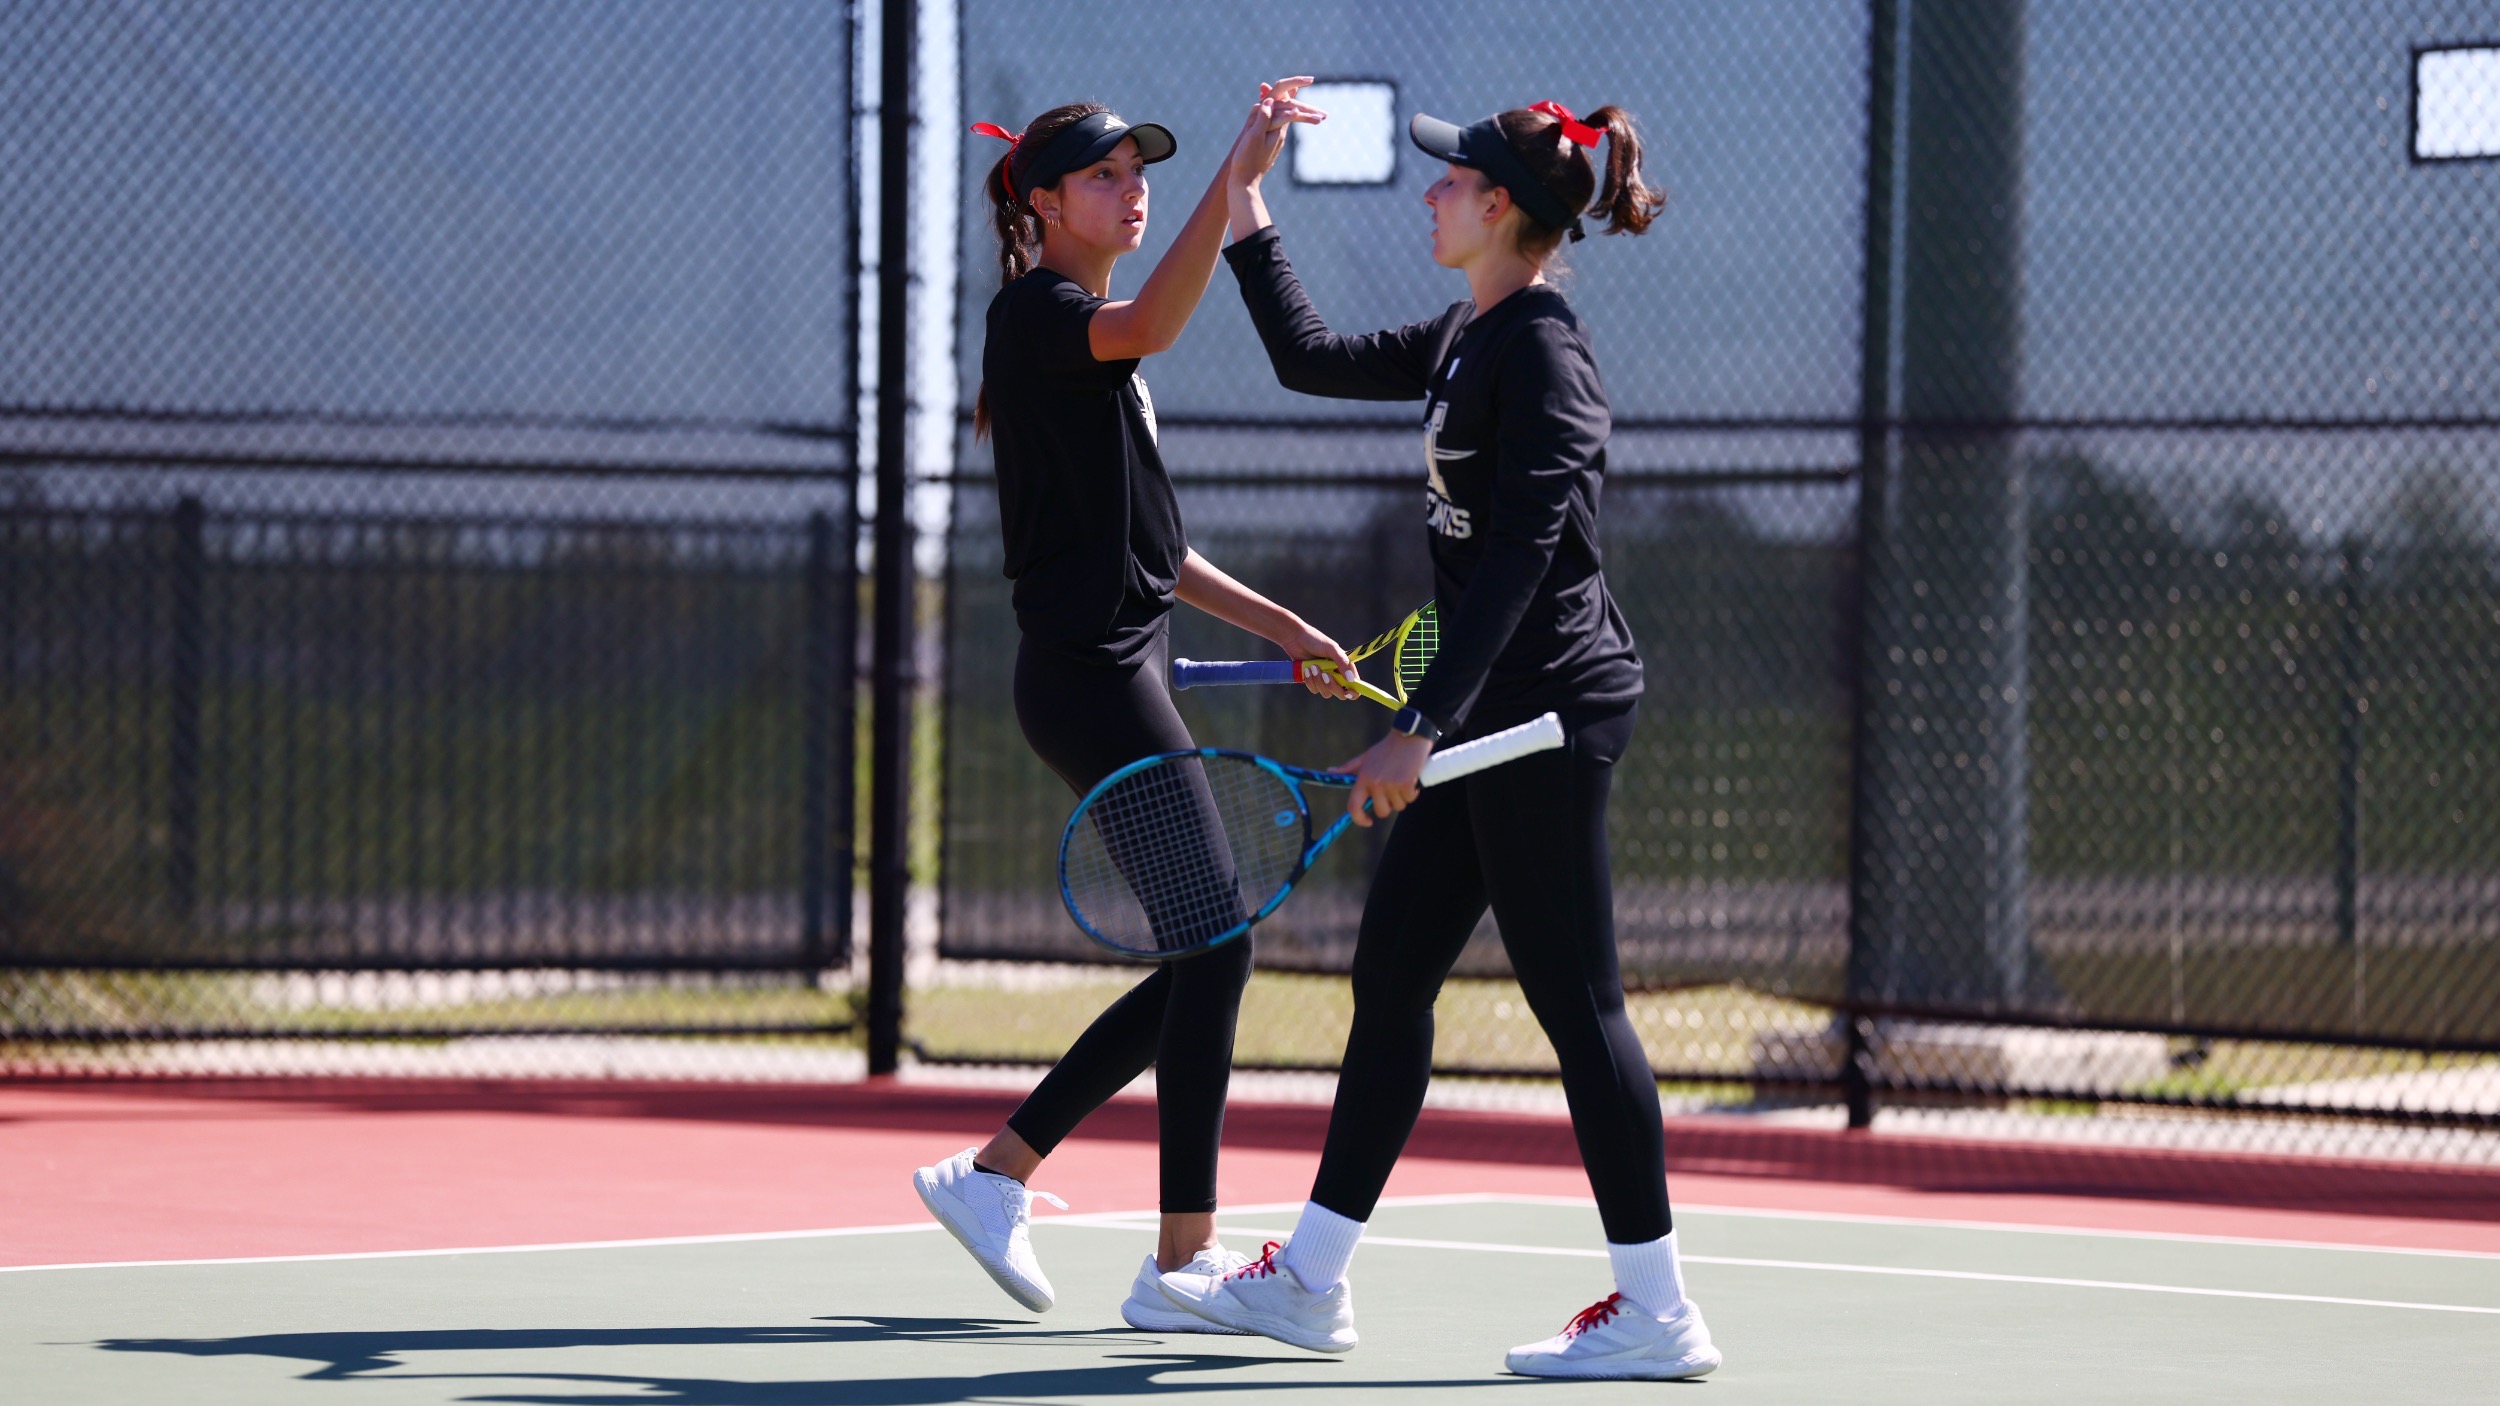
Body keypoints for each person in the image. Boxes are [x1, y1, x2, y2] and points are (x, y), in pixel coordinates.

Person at [1157, 95, 1720, 1381]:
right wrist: (1246, 196)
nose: (1431, 194)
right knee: (1392, 980)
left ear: (1503, 207)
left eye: (1451, 180)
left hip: (1544, 719)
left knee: (1579, 1007)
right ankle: (1305, 1282)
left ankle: (1660, 1312)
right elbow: (1305, 355)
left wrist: (1418, 726)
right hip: (1485, 714)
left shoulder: (1544, 353)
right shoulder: (1468, 332)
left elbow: (1529, 557)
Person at [909, 83, 1358, 1336]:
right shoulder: (1043, 312)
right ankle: (1173, 1264)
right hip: (1089, 682)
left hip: (1117, 671)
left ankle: (1002, 1175)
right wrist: (1236, 176)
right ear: (1042, 203)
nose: (1130, 187)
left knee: (1207, 951)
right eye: (1103, 177)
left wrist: (1287, 630)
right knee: (1217, 947)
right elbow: (1157, 318)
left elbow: (1157, 547)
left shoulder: (1089, 340)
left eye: (1139, 172)